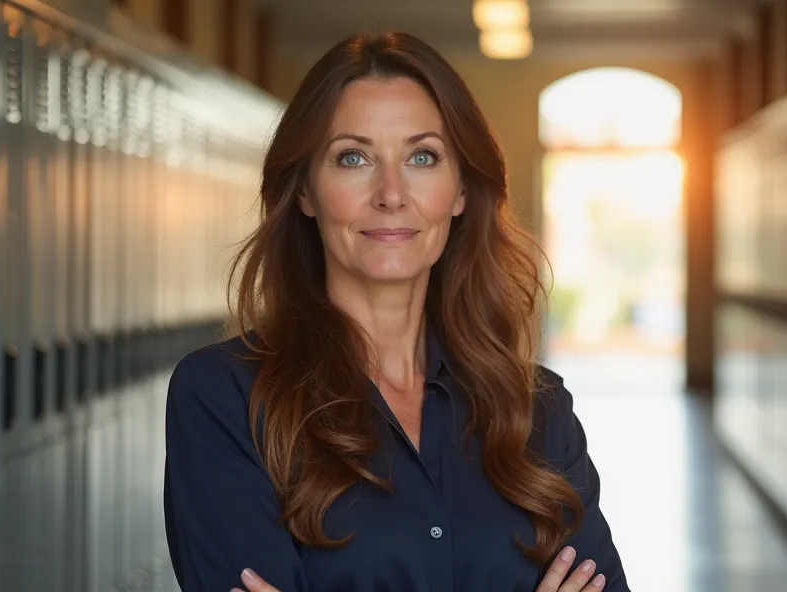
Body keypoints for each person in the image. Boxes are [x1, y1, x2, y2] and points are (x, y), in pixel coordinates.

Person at [163, 30, 630, 592]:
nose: (391, 192)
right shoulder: (225, 398)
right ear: (306, 190)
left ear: (459, 192)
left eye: (423, 156)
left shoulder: (537, 409)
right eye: (353, 157)